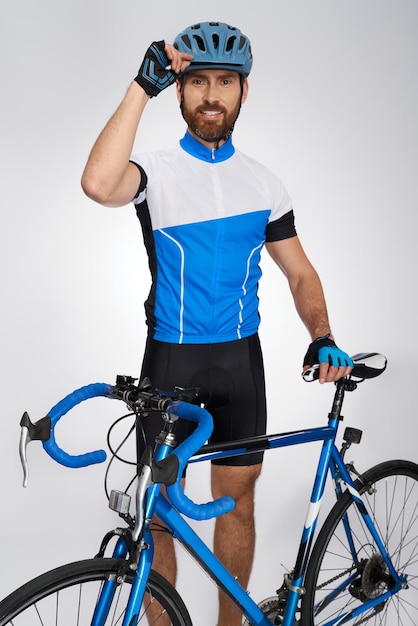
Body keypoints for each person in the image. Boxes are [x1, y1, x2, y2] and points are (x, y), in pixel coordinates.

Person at [81, 21, 353, 626]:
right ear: (179, 91)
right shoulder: (152, 171)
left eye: (224, 83)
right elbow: (98, 183)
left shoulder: (264, 183)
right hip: (170, 363)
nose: (210, 95)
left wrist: (322, 334)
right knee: (156, 513)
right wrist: (138, 87)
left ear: (243, 92)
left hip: (239, 367)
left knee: (237, 507)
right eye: (197, 81)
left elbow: (301, 276)